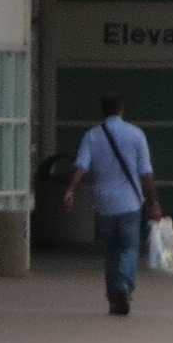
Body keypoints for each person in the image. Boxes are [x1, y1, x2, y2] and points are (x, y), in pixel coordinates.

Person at [68, 94, 155, 314]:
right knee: (129, 248)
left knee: (111, 251)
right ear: (122, 110)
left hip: (104, 204)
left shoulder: (92, 136)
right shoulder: (136, 135)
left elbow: (81, 166)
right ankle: (123, 286)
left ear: (103, 111)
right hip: (130, 203)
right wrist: (153, 202)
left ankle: (113, 298)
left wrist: (70, 189)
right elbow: (146, 172)